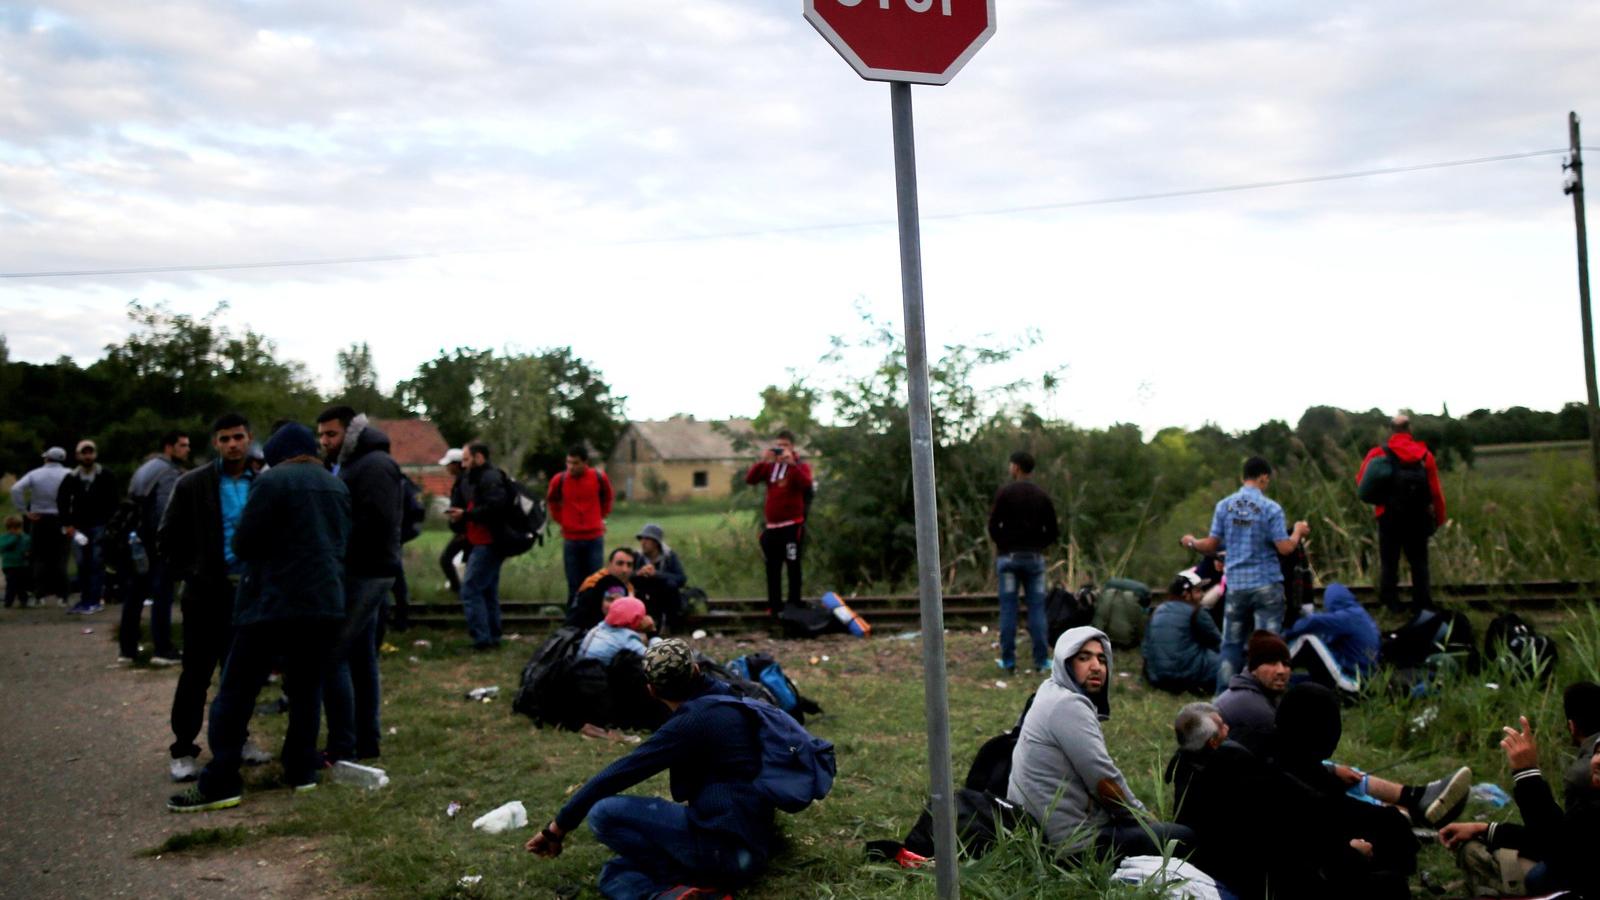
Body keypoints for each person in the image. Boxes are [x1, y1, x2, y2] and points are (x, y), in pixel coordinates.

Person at [167, 423, 350, 812]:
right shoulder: (335, 484)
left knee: (235, 691)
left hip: (271, 602)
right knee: (305, 690)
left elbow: (244, 541)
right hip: (323, 603)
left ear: (276, 453)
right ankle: (302, 770)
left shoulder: (271, 482)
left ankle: (221, 779)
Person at [526, 639, 783, 897]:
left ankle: (691, 883)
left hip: (722, 849)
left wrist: (556, 828)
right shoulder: (729, 696)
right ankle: (675, 888)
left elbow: (615, 776)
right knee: (613, 873)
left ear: (651, 690)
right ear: (695, 670)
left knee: (603, 813)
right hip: (755, 844)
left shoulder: (688, 724)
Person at [1006, 626, 1194, 860]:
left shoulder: (1049, 691)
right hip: (1071, 846)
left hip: (1037, 835)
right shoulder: (1068, 706)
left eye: (1102, 659)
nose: (1096, 666)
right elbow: (1105, 783)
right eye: (1084, 658)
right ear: (1065, 662)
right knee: (1183, 837)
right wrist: (1146, 822)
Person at [158, 413, 264, 780]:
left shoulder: (261, 482)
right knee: (196, 674)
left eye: (238, 437)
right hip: (206, 593)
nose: (232, 444)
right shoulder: (193, 484)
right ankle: (183, 747)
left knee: (241, 675)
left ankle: (239, 739)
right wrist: (192, 571)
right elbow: (167, 537)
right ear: (216, 444)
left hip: (248, 592)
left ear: (249, 438)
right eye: (225, 439)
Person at [316, 407, 403, 763]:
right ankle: (366, 741)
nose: (325, 441)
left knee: (333, 654)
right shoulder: (357, 463)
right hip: (366, 570)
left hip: (366, 572)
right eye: (320, 435)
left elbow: (377, 522)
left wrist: (340, 546)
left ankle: (344, 744)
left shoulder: (373, 465)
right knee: (360, 657)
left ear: (350, 432)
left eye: (331, 434)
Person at [1180, 456, 1311, 693]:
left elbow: (1210, 545)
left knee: (1230, 644)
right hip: (1267, 585)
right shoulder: (1271, 508)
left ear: (1243, 477)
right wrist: (1298, 532)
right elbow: (1284, 548)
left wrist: (1191, 542)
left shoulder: (1224, 506)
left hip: (1237, 586)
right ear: (1263, 477)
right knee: (1268, 648)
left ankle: (1223, 698)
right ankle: (1266, 697)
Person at [1357, 414, 1447, 612]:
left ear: (1391, 430)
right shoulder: (1424, 455)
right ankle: (1422, 604)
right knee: (1419, 562)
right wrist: (1439, 518)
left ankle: (1390, 604)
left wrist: (1381, 500)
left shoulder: (1378, 453)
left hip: (1388, 517)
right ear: (1410, 430)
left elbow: (1361, 482)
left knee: (1389, 561)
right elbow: (1435, 492)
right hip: (1418, 517)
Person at [986, 450, 1060, 674]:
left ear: (1016, 467)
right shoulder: (1041, 495)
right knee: (1037, 609)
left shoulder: (1005, 493)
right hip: (1034, 559)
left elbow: (993, 525)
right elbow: (1054, 531)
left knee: (1008, 609)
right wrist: (1039, 546)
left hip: (1009, 558)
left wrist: (1003, 545)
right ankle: (1040, 661)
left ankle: (1008, 661)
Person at [124, 429, 190, 664]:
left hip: (138, 539)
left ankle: (127, 648)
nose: (187, 449)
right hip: (156, 540)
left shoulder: (145, 468)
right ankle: (163, 649)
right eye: (183, 445)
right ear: (169, 447)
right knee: (162, 595)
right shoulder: (167, 471)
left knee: (135, 595)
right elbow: (165, 509)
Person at [447, 441, 510, 650]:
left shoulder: (490, 478)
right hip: (482, 542)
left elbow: (494, 508)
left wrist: (466, 515)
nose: (463, 465)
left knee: (471, 589)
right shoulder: (476, 478)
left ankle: (482, 639)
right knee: (487, 591)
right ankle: (492, 636)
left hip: (488, 542)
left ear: (479, 457)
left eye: (466, 459)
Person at [744, 429, 813, 616]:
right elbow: (750, 479)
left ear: (792, 447)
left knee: (793, 564)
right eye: (778, 446)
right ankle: (774, 605)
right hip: (772, 526)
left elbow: (806, 484)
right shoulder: (770, 467)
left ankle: (794, 603)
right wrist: (763, 461)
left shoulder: (800, 466)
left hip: (792, 525)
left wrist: (792, 465)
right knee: (772, 567)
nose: (780, 450)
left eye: (784, 446)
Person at [547, 443, 614, 606]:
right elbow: (552, 501)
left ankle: (593, 619)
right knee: (574, 584)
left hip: (593, 536)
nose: (571, 467)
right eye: (568, 463)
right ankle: (574, 620)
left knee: (595, 582)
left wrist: (600, 516)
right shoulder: (560, 480)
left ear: (585, 463)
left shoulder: (598, 477)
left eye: (575, 463)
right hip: (571, 538)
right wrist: (562, 520)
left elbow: (608, 497)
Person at [1283, 582, 1379, 694]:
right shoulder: (1360, 615)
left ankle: (1270, 665)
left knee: (1308, 640)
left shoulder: (1349, 616)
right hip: (1361, 683)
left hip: (1352, 682)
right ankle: (1279, 681)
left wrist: (1286, 635)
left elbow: (1313, 622)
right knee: (1296, 681)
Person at [59, 440, 120, 614]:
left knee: (96, 562)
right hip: (78, 527)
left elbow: (114, 500)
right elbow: (62, 501)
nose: (87, 456)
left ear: (95, 454)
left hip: (99, 525)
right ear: (78, 455)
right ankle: (85, 599)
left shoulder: (105, 475)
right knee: (81, 564)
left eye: (90, 452)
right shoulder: (72, 477)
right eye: (84, 453)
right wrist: (67, 524)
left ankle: (95, 600)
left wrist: (111, 523)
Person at [1142, 567, 1221, 694]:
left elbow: (1146, 647)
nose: (1202, 595)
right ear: (1186, 594)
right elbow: (1217, 642)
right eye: (1197, 591)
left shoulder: (1157, 610)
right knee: (1226, 659)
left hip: (1156, 677)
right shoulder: (1197, 612)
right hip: (1185, 677)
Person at [1213, 630, 1292, 756]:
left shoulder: (1259, 693)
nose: (1281, 670)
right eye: (1271, 663)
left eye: (1286, 663)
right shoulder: (1251, 704)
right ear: (1254, 669)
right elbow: (1286, 754)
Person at [10, 446, 71, 605]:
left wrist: (24, 511)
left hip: (39, 518)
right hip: (61, 519)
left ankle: (40, 595)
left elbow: (16, 489)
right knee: (61, 557)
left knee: (39, 557)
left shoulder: (35, 474)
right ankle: (62, 596)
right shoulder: (69, 474)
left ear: (47, 459)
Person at [632, 523, 687, 633]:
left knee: (670, 586)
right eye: (642, 539)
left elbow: (681, 579)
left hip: (664, 594)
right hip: (644, 594)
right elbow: (626, 576)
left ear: (656, 542)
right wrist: (639, 573)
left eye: (647, 539)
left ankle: (670, 624)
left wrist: (657, 574)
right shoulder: (637, 556)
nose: (643, 543)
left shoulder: (669, 556)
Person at [567, 547, 636, 630]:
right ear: (609, 565)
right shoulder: (593, 585)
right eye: (620, 564)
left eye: (629, 565)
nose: (625, 570)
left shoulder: (629, 587)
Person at [578, 596, 654, 665]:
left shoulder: (599, 627)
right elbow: (656, 660)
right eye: (642, 616)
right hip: (599, 678)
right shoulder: (627, 639)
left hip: (578, 673)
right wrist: (653, 635)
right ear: (635, 618)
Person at [437, 448, 469, 594]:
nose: (446, 467)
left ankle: (457, 589)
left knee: (445, 559)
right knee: (466, 561)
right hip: (464, 530)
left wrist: (464, 528)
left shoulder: (464, 482)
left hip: (464, 531)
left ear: (456, 464)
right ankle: (462, 588)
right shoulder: (462, 481)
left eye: (449, 464)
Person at [1, 515, 31, 608]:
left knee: (22, 584)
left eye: (17, 527)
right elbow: (2, 547)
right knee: (11, 584)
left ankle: (23, 601)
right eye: (11, 528)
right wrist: (14, 538)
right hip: (9, 565)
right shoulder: (4, 537)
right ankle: (8, 602)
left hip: (21, 565)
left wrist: (27, 553)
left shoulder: (25, 537)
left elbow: (28, 547)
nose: (14, 530)